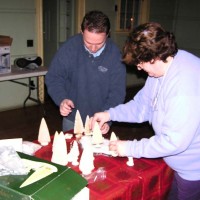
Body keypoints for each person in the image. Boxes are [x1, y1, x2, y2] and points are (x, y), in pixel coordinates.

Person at [90, 22, 200, 199]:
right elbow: (142, 107)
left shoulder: (184, 87)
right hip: (175, 164)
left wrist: (129, 148)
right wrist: (110, 114)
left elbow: (173, 142)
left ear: (153, 58)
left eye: (140, 64)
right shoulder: (162, 67)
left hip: (193, 170)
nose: (139, 68)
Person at [45, 10, 126, 133]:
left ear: (108, 34)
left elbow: (117, 92)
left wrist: (107, 117)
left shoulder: (115, 55)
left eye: (99, 43)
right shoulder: (69, 48)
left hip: (99, 119)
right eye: (88, 43)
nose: (93, 48)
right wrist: (61, 99)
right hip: (72, 118)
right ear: (82, 32)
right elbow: (54, 77)